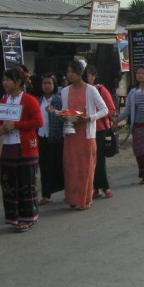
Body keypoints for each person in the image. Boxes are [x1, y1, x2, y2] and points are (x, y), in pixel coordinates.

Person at [0, 67, 43, 233]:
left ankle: (28, 217)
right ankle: (13, 216)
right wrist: (0, 129)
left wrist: (17, 125)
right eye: (4, 80)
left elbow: (38, 121)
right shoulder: (3, 102)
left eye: (8, 80)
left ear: (18, 82)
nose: (5, 83)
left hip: (25, 148)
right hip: (7, 147)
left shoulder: (29, 100)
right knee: (9, 182)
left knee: (26, 182)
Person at [57, 60, 108, 209]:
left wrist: (90, 117)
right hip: (70, 133)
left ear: (80, 73)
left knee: (86, 167)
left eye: (72, 72)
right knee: (70, 166)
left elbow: (104, 109)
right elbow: (65, 111)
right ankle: (73, 199)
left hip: (86, 134)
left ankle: (85, 199)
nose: (69, 75)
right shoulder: (64, 91)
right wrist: (60, 114)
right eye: (68, 72)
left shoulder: (91, 90)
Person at [84, 65, 116, 200]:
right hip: (85, 129)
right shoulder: (80, 91)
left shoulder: (101, 90)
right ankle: (95, 188)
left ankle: (105, 187)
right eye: (84, 75)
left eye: (89, 75)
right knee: (89, 160)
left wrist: (95, 116)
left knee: (99, 160)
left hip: (100, 129)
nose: (86, 78)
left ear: (94, 76)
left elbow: (111, 109)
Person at [37, 73, 64, 205]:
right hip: (42, 136)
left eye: (49, 83)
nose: (47, 86)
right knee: (44, 167)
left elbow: (64, 116)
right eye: (44, 83)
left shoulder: (58, 100)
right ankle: (46, 195)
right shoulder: (39, 100)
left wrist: (54, 112)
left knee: (59, 165)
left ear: (54, 85)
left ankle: (66, 191)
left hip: (56, 137)